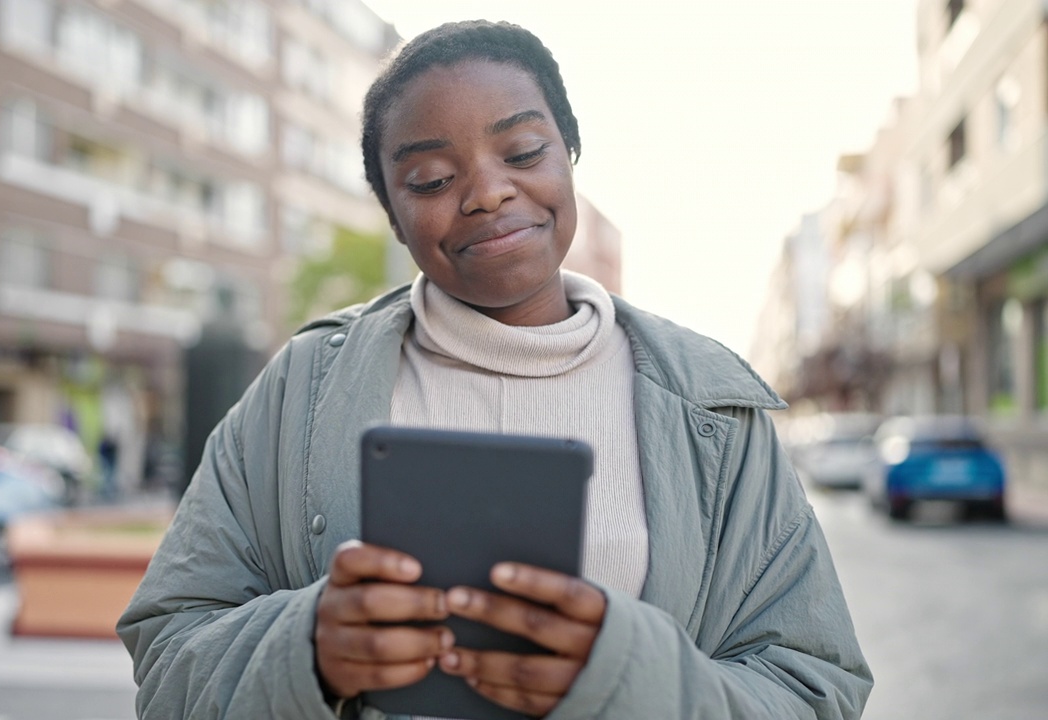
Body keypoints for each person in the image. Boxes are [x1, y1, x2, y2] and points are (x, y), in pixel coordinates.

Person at [118, 20, 872, 720]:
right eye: (431, 180)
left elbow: (815, 688)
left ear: (569, 155)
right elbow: (169, 656)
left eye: (521, 153)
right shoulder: (301, 388)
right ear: (393, 213)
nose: (486, 192)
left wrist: (626, 675)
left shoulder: (710, 405)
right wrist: (306, 649)